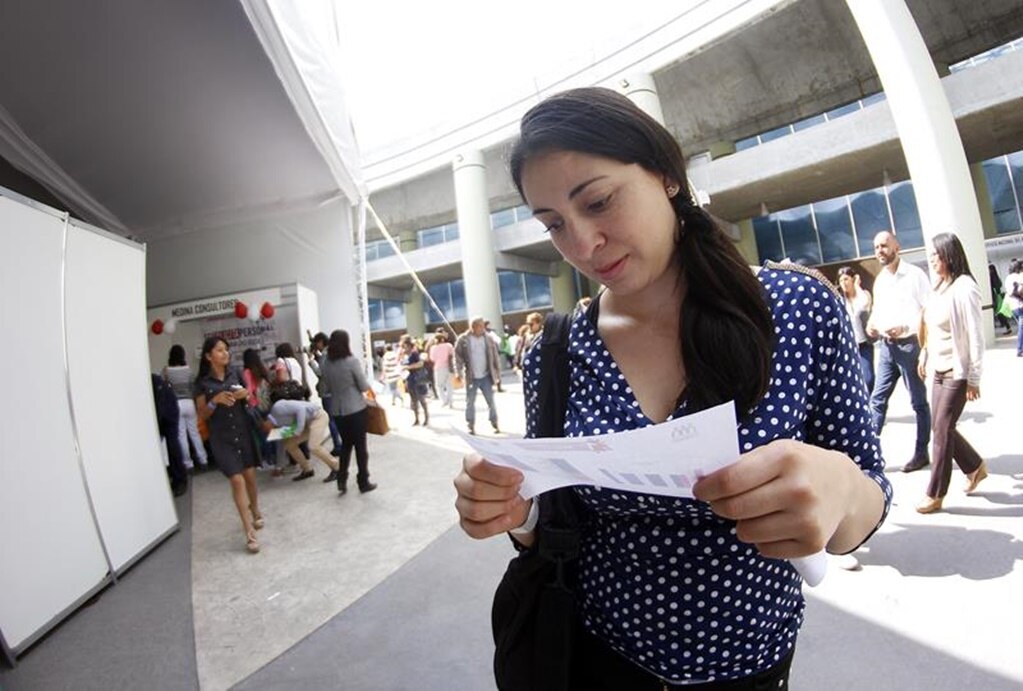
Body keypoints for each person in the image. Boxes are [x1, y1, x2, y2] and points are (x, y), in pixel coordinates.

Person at [452, 88, 891, 689]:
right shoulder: (556, 352)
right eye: (553, 224)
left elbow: (869, 498)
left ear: (665, 176)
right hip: (600, 656)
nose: (582, 244)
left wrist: (840, 491)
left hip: (751, 667)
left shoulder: (796, 308)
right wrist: (513, 510)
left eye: (599, 202)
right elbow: (553, 522)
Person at [915, 234, 988, 513]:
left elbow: (976, 337)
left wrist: (974, 378)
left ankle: (935, 493)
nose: (932, 260)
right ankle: (975, 466)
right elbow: (931, 328)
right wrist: (924, 352)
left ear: (949, 255)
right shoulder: (940, 287)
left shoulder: (965, 288)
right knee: (942, 428)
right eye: (930, 255)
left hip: (957, 371)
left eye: (936, 255)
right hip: (938, 368)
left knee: (942, 429)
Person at [866, 231, 932, 472]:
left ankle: (921, 452)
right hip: (885, 347)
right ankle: (868, 453)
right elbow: (877, 310)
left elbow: (928, 312)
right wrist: (871, 324)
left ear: (897, 246)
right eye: (876, 247)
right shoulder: (880, 279)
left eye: (884, 246)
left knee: (918, 403)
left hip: (909, 345)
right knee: (877, 400)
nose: (879, 251)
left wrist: (906, 326)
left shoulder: (915, 275)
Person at [194, 337, 264, 554]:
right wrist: (215, 401)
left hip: (242, 432)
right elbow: (202, 414)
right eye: (220, 350)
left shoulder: (237, 373)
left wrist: (245, 394)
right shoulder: (202, 383)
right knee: (236, 480)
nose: (225, 353)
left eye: (226, 350)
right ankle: (248, 532)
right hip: (222, 438)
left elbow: (251, 399)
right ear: (208, 356)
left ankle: (256, 509)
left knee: (250, 478)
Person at [319, 329, 377, 495]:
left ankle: (342, 480)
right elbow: (364, 386)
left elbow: (327, 387)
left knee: (346, 446)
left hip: (337, 411)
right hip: (356, 409)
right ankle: (363, 481)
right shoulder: (351, 361)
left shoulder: (326, 364)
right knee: (360, 447)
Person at [265, 398, 340, 483]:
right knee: (289, 444)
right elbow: (290, 429)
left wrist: (299, 430)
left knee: (313, 446)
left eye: (266, 430)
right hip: (306, 423)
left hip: (317, 417)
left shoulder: (277, 408)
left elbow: (300, 409)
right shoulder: (277, 425)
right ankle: (307, 470)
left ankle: (336, 468)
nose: (267, 432)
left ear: (266, 422)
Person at [163, 344, 209, 471]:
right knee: (194, 433)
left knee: (181, 434)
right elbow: (193, 388)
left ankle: (188, 464)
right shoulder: (189, 370)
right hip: (189, 402)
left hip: (176, 404)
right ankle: (203, 459)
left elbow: (165, 387)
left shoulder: (167, 371)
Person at [454, 317, 501, 435]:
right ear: (473, 327)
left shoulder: (488, 338)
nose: (483, 328)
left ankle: (494, 422)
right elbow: (457, 358)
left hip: (486, 376)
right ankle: (470, 425)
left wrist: (497, 373)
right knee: (470, 402)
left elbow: (495, 356)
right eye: (480, 325)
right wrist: (458, 372)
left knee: (491, 401)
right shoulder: (463, 339)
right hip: (471, 377)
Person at [837, 266, 875, 391]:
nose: (844, 283)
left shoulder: (863, 295)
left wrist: (857, 286)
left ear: (853, 279)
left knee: (868, 377)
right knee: (852, 379)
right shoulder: (840, 300)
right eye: (841, 280)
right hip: (848, 346)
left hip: (864, 344)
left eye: (846, 279)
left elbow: (865, 305)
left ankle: (868, 404)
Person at [305, 331, 344, 455]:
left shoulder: (325, 355)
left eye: (317, 344)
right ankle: (343, 443)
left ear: (321, 342)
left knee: (331, 420)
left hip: (327, 392)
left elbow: (320, 372)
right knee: (338, 419)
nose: (316, 346)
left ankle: (338, 446)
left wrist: (311, 360)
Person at [151, 373, 188, 497]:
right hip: (167, 410)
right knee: (173, 444)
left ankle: (180, 479)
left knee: (173, 445)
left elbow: (160, 407)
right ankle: (176, 477)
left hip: (168, 414)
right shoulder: (153, 379)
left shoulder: (153, 381)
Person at [399, 334, 431, 426]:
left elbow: (420, 364)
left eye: (404, 345)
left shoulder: (414, 353)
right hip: (409, 380)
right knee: (413, 401)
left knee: (421, 399)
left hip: (417, 379)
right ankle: (417, 419)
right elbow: (402, 366)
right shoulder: (404, 355)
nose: (404, 347)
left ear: (409, 344)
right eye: (403, 346)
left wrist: (408, 367)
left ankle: (426, 418)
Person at [428, 330, 456, 408]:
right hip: (449, 367)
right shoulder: (449, 345)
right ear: (443, 339)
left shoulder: (433, 348)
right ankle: (450, 402)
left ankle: (444, 400)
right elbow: (453, 355)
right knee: (449, 385)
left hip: (439, 368)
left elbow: (432, 358)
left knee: (439, 386)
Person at [1005, 258, 1023, 357]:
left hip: (1013, 306)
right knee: (1022, 327)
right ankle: (1020, 349)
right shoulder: (1018, 276)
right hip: (1020, 304)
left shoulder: (1008, 278)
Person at [988, 263, 1013, 335]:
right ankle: (1007, 327)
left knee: (999, 313)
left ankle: (1007, 327)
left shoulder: (991, 277)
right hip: (998, 296)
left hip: (995, 297)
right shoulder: (996, 277)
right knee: (1000, 313)